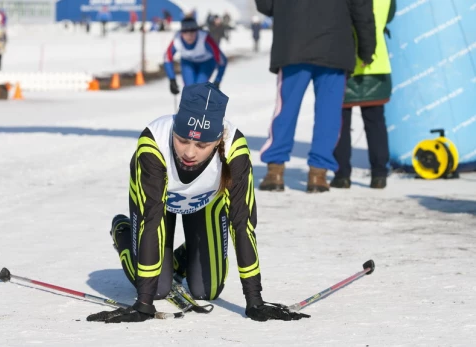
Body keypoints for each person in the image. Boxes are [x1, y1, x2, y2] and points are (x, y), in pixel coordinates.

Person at [86, 83, 310, 323]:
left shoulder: (235, 149)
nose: (190, 153)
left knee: (207, 291)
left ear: (217, 141)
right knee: (157, 289)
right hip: (157, 208)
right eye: (182, 140)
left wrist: (254, 300)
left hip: (206, 204)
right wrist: (143, 303)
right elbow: (152, 221)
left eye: (202, 145)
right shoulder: (153, 142)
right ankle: (124, 231)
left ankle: (183, 256)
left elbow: (242, 223)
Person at [255, 0, 376, 193]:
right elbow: (362, 10)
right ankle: (318, 174)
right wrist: (367, 49)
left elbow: (266, 6)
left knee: (286, 109)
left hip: (293, 44)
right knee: (329, 114)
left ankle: (274, 172)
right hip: (335, 47)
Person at [332, 0, 396, 190]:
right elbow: (389, 16)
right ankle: (379, 175)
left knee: (340, 123)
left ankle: (342, 175)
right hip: (376, 62)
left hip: (344, 62)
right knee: (376, 123)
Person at [164, 18, 227, 96]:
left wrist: (217, 81)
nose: (189, 35)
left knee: (199, 88)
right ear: (181, 33)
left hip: (207, 62)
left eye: (192, 31)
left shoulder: (205, 39)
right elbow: (167, 58)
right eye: (185, 31)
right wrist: (172, 79)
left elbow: (222, 60)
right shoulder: (177, 40)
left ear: (197, 31)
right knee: (190, 88)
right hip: (188, 63)